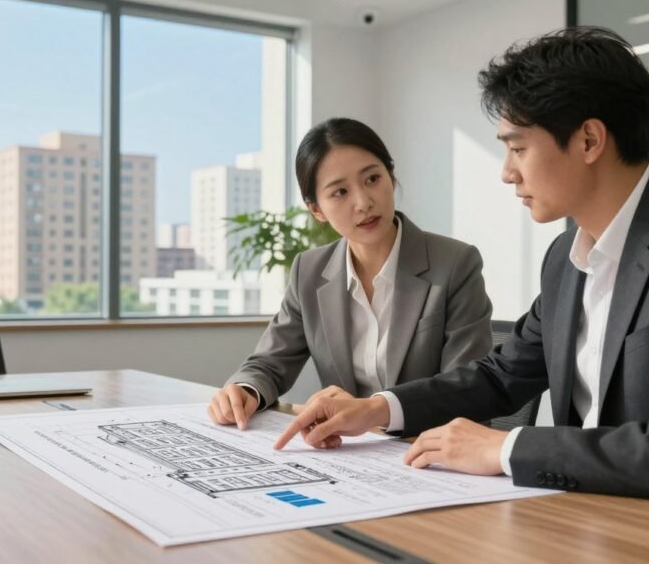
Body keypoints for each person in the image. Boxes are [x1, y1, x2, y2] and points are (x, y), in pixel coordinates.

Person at [274, 27, 649, 503]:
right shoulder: (566, 258)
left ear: (589, 140)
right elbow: (499, 376)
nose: (507, 172)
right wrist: (378, 408)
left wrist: (506, 448)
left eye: (518, 147)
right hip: (585, 514)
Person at [208, 118, 493, 430]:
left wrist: (377, 413)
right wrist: (245, 390)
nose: (363, 202)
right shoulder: (309, 272)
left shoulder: (454, 264)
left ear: (391, 177)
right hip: (349, 454)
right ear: (316, 210)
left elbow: (466, 390)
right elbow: (268, 363)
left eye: (372, 179)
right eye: (340, 192)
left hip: (428, 450)